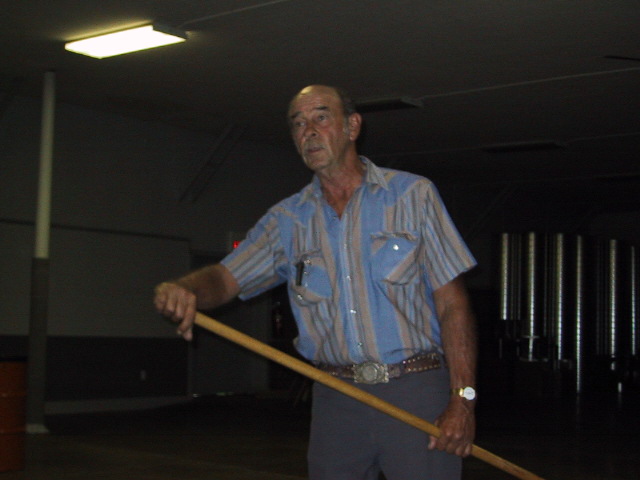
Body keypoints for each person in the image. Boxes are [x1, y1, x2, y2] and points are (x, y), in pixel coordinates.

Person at [154, 85, 478, 480]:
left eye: (320, 117)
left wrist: (462, 401)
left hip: (414, 391)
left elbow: (453, 305)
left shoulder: (413, 196)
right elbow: (224, 278)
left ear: (352, 126)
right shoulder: (286, 221)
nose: (308, 131)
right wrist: (187, 290)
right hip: (335, 399)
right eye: (297, 124)